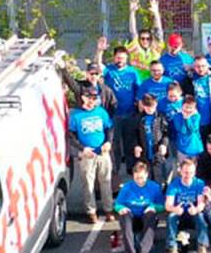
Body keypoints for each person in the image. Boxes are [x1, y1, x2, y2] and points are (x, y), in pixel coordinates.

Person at [68, 89, 114, 223]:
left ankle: (108, 209)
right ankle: (91, 211)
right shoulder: (76, 115)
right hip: (87, 154)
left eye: (94, 99)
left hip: (102, 152)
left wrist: (108, 142)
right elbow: (71, 135)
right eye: (89, 98)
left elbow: (109, 128)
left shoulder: (101, 112)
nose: (91, 101)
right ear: (83, 97)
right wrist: (82, 148)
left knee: (106, 182)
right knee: (88, 184)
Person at [98, 40, 141, 177]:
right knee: (114, 144)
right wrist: (100, 51)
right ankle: (115, 171)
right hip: (113, 114)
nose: (120, 60)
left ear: (126, 58)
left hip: (130, 113)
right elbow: (98, 66)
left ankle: (131, 169)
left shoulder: (133, 72)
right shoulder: (109, 71)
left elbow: (138, 90)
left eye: (122, 58)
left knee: (130, 142)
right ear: (114, 58)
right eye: (117, 58)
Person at [114, 162, 164, 253]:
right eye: (136, 178)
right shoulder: (127, 187)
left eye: (141, 177)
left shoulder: (154, 187)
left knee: (151, 215)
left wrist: (153, 207)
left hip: (146, 217)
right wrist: (121, 208)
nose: (139, 181)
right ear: (133, 176)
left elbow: (162, 205)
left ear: (146, 174)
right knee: (124, 217)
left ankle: (144, 252)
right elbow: (117, 204)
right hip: (131, 216)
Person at [164, 158, 208, 253]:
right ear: (180, 171)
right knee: (171, 217)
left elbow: (201, 203)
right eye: (186, 172)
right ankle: (172, 246)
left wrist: (196, 209)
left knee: (200, 216)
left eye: (191, 172)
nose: (188, 175)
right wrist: (174, 209)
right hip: (179, 213)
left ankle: (202, 245)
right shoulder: (174, 184)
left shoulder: (199, 183)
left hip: (192, 212)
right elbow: (167, 205)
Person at [182, 55, 211, 139]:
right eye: (198, 66)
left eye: (203, 66)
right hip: (196, 122)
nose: (200, 69)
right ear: (193, 67)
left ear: (208, 66)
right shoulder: (188, 80)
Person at [132, 93, 169, 186]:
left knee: (159, 178)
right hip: (144, 154)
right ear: (143, 106)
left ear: (156, 105)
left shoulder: (160, 117)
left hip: (157, 153)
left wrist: (164, 144)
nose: (150, 109)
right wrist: (136, 146)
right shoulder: (138, 118)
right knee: (146, 179)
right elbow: (134, 135)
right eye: (147, 107)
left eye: (152, 107)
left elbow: (166, 133)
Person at [126, 0, 164, 79]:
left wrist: (156, 14)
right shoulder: (135, 48)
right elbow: (132, 32)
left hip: (153, 82)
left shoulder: (155, 49)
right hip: (138, 83)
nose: (145, 41)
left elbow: (158, 32)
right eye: (142, 38)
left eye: (148, 38)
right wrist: (132, 13)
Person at [171, 95, 204, 161]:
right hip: (182, 148)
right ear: (182, 106)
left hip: (195, 148)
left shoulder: (196, 116)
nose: (188, 109)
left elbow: (192, 130)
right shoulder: (177, 116)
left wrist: (187, 118)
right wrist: (184, 118)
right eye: (186, 107)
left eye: (191, 107)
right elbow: (182, 130)